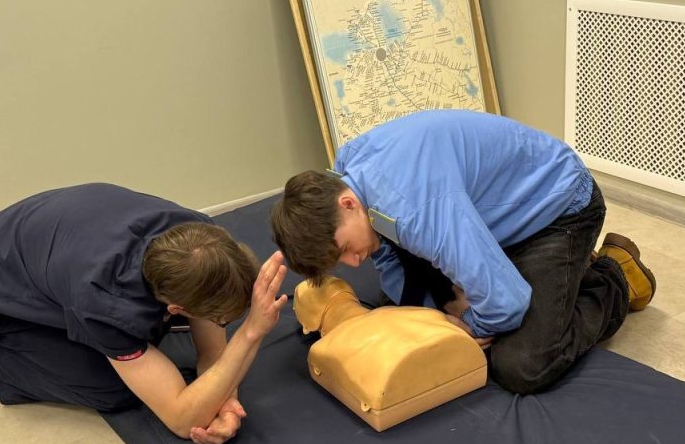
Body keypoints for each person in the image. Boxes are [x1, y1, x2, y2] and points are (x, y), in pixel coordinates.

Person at [269, 109, 655, 395]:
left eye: (345, 250)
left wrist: (468, 326)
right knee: (402, 310)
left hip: (559, 210)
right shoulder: (344, 175)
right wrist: (436, 315)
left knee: (521, 365)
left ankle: (613, 273)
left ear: (348, 204)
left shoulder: (415, 209)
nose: (354, 262)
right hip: (489, 212)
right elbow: (390, 260)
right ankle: (561, 274)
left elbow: (507, 305)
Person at [0, 182, 287, 444]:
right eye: (222, 319)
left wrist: (226, 402)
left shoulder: (201, 236)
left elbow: (212, 354)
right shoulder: (107, 299)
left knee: (151, 346)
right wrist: (251, 333)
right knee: (112, 387)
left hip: (47, 250)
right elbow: (181, 419)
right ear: (176, 308)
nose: (225, 324)